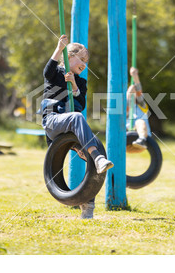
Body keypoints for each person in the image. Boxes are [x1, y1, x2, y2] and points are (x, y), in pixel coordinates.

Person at [41, 35, 114, 219]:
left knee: (92, 156)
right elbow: (46, 72)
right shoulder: (56, 73)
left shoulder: (81, 82)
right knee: (76, 117)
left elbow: (80, 104)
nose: (84, 64)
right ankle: (96, 157)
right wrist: (59, 48)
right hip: (53, 122)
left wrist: (73, 85)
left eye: (86, 61)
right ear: (69, 57)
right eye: (81, 59)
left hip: (72, 128)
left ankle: (88, 206)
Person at [126, 67, 151, 149]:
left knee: (140, 122)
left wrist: (135, 76)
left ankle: (142, 139)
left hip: (141, 142)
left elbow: (139, 91)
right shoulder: (123, 109)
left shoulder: (141, 106)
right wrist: (129, 93)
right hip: (127, 142)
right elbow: (126, 108)